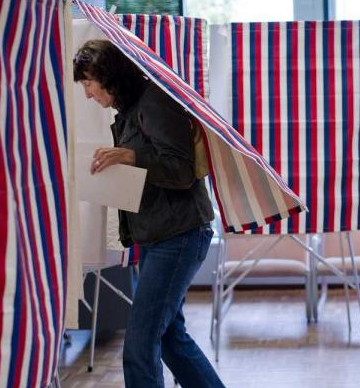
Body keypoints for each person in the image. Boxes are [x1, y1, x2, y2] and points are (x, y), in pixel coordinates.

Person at [74, 39, 226, 388]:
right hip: (162, 236)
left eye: (87, 83)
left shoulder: (155, 101)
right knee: (171, 339)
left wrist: (130, 157)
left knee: (139, 346)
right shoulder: (130, 109)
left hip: (180, 235)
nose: (86, 94)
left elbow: (181, 170)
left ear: (107, 76)